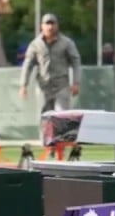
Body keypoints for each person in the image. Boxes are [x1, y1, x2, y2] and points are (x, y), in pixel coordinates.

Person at [19, 13, 82, 147]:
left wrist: (76, 82)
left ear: (57, 25)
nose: (50, 26)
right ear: (42, 26)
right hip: (43, 86)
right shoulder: (36, 44)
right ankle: (46, 144)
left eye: (52, 23)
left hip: (61, 85)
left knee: (62, 115)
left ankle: (63, 144)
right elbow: (28, 64)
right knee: (44, 116)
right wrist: (23, 85)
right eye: (47, 23)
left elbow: (75, 61)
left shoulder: (66, 43)